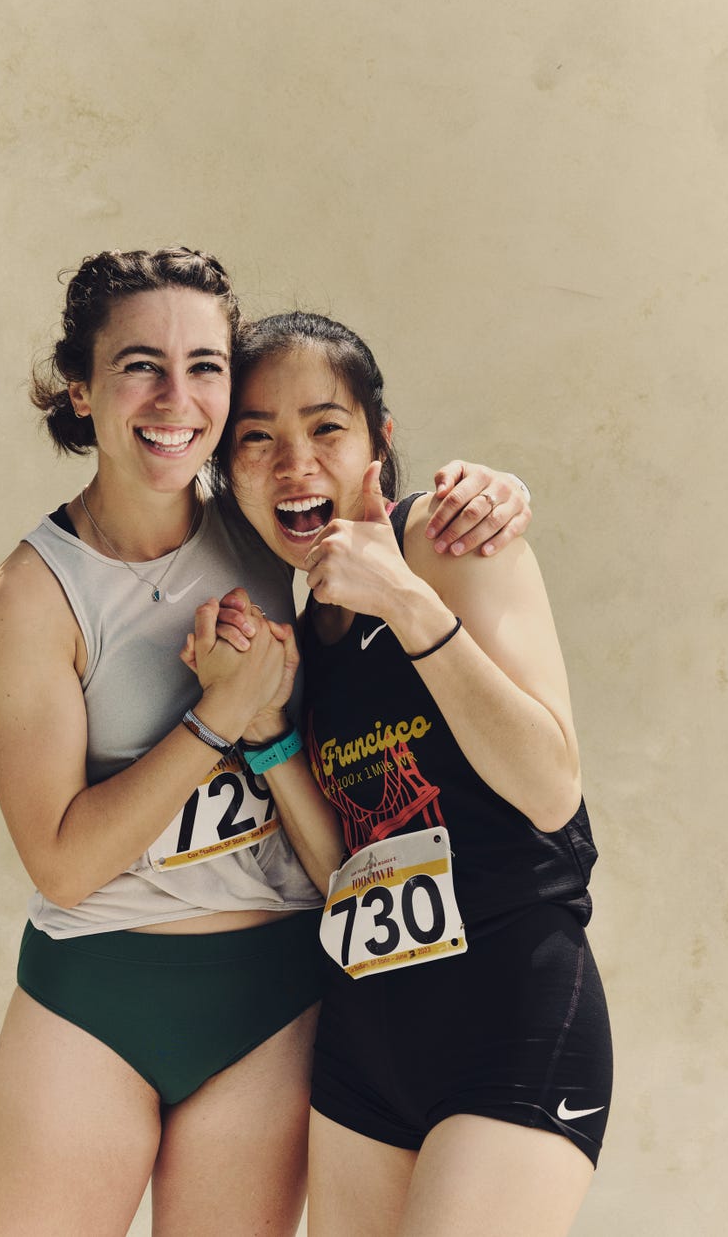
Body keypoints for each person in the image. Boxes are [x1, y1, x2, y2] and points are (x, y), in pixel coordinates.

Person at [0, 248, 532, 1237]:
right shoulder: (27, 596)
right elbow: (62, 863)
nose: (175, 397)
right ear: (78, 386)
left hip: (274, 996)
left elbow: (373, 497)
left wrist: (485, 492)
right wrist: (213, 720)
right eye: (140, 363)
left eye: (206, 365)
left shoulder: (279, 532)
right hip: (92, 989)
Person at [199, 311, 613, 1237]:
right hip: (365, 1048)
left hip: (511, 1015)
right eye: (257, 439)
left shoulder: (448, 538)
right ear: (230, 473)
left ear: (381, 443)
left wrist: (405, 600)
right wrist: (269, 737)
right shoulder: (305, 634)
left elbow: (550, 787)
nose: (293, 462)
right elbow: (341, 869)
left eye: (325, 427)